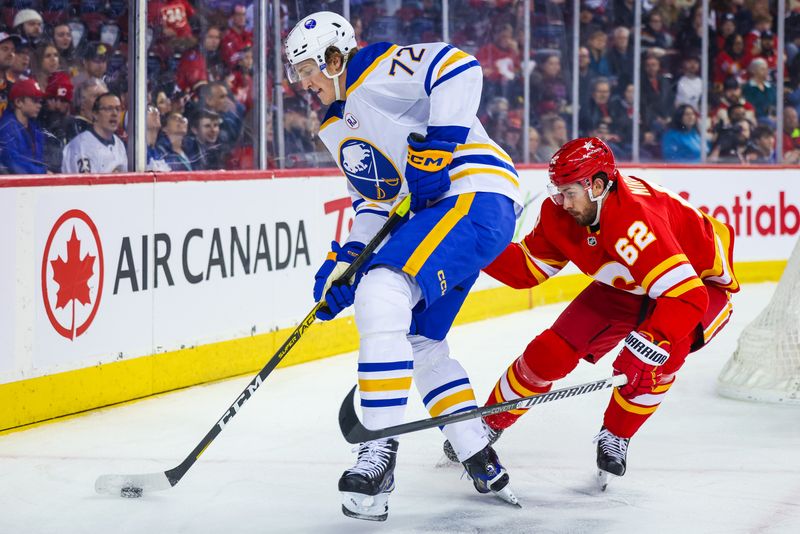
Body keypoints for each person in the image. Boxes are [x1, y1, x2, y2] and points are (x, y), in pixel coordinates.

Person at [284, 10, 523, 521]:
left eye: (306, 68)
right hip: (449, 214)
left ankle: (378, 448)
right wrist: (345, 262)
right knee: (419, 341)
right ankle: (477, 452)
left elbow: (459, 67)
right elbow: (375, 203)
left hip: (472, 195)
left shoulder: (372, 68)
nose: (301, 81)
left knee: (382, 291)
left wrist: (438, 149)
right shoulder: (335, 125)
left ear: (333, 57)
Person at [442, 137, 739, 490]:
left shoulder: (635, 220)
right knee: (548, 354)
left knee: (649, 366)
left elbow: (686, 297)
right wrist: (472, 246)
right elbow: (526, 270)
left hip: (698, 288)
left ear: (597, 185)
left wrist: (650, 342)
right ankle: (491, 421)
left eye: (570, 193)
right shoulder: (561, 211)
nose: (562, 202)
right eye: (558, 191)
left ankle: (617, 434)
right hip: (627, 285)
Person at [62, 92, 127, 173]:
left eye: (118, 109)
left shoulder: (119, 144)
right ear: (95, 114)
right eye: (109, 109)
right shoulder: (81, 146)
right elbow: (86, 184)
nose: (114, 113)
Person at [0, 78, 47, 174]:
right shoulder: (6, 128)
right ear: (18, 102)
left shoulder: (35, 127)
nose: (39, 105)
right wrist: (42, 172)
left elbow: (41, 159)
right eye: (34, 100)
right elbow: (13, 163)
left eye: (40, 101)